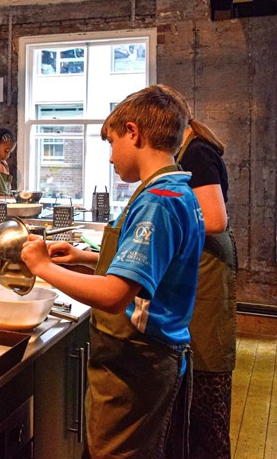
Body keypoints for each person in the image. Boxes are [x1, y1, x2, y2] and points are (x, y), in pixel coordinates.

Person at [20, 85, 205, 459]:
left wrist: (42, 267)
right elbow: (153, 266)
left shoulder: (158, 202)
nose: (110, 157)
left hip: (138, 363)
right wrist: (85, 257)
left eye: (112, 142)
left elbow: (115, 295)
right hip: (148, 358)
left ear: (134, 133)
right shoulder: (174, 191)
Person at [171, 92, 237, 459]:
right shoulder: (192, 150)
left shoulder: (196, 153)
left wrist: (163, 225)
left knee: (207, 377)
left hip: (209, 266)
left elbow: (214, 219)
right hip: (202, 264)